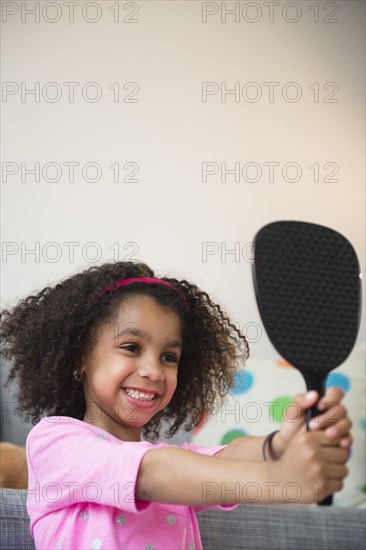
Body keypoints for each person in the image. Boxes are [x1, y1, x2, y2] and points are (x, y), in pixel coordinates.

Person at [1, 261, 352, 550]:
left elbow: (225, 459)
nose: (153, 371)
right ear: (80, 358)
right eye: (131, 347)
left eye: (169, 356)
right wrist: (276, 478)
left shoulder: (176, 462)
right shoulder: (55, 442)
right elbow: (150, 473)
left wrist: (278, 446)